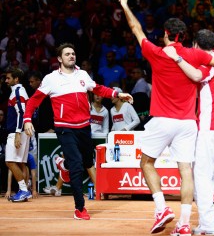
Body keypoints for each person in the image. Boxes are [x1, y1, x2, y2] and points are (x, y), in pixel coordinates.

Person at [119, 0, 214, 236]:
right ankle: (183, 223)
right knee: (186, 171)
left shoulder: (157, 52)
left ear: (167, 34)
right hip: (188, 123)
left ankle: (161, 209)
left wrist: (125, 4)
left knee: (146, 163)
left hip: (162, 120)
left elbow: (135, 28)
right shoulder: (195, 54)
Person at [24, 43, 133, 220]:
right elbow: (34, 100)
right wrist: (27, 119)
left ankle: (63, 165)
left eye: (73, 53)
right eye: (67, 54)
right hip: (64, 127)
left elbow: (97, 88)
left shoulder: (82, 74)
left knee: (87, 162)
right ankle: (79, 208)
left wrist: (117, 94)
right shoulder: (51, 78)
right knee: (76, 165)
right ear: (59, 59)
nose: (71, 56)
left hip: (84, 127)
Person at [164, 29, 214, 235]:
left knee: (200, 174)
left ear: (195, 45)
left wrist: (177, 58)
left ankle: (208, 224)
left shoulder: (209, 63)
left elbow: (195, 75)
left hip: (210, 127)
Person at [5, 67, 31, 202]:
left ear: (16, 79)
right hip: (22, 130)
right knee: (20, 162)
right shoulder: (20, 91)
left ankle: (24, 190)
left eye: (9, 78)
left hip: (17, 131)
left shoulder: (17, 92)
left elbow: (21, 113)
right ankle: (24, 191)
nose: (6, 80)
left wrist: (17, 133)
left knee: (10, 161)